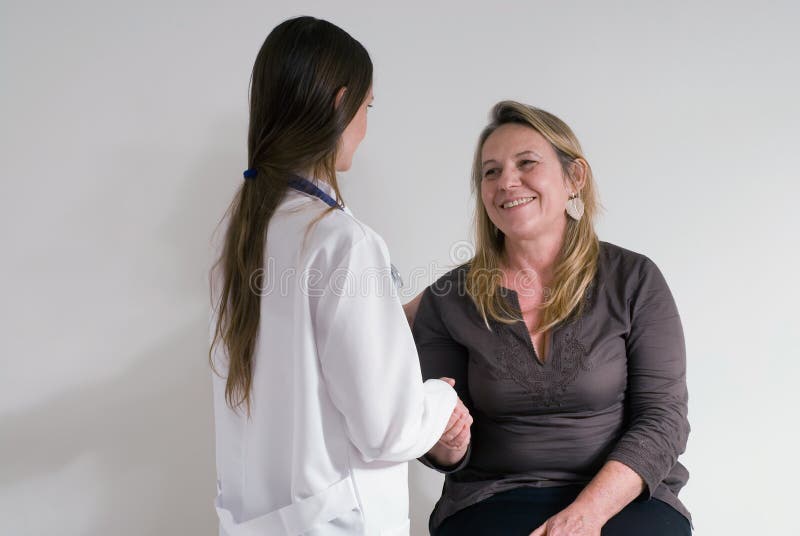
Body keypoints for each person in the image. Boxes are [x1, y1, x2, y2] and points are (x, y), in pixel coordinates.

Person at [208, 17, 471, 536]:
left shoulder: (240, 238)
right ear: (341, 103)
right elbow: (388, 429)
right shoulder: (343, 242)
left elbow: (305, 352)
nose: (366, 126)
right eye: (367, 107)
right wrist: (439, 400)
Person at [411, 101, 691, 535]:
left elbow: (664, 420)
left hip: (621, 495)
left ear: (573, 178)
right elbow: (445, 446)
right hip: (492, 495)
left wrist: (587, 514)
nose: (506, 182)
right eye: (490, 172)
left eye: (526, 163)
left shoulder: (635, 280)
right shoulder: (450, 297)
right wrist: (446, 441)